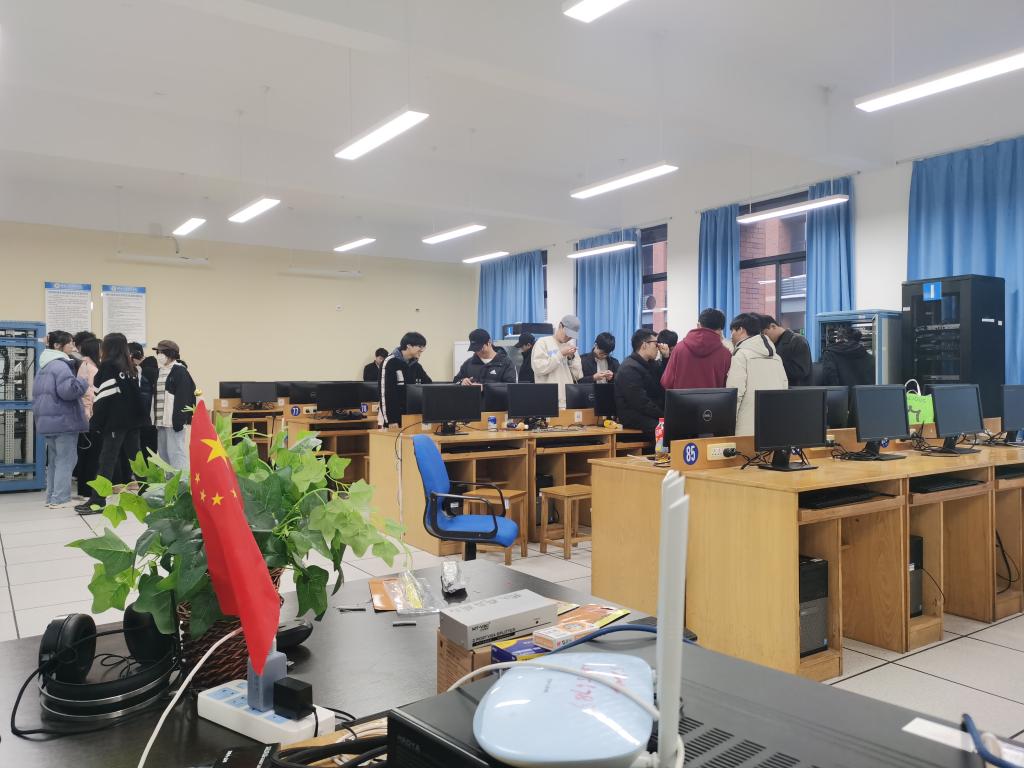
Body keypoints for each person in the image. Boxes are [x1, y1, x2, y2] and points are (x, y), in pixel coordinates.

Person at [78, 333, 147, 514]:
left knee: (106, 461)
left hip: (116, 422)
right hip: (133, 422)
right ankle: (149, 494)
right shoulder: (130, 367)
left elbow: (103, 397)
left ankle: (97, 501)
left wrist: (96, 422)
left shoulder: (109, 366)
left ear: (108, 347)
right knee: (136, 459)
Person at [34, 331, 89, 509]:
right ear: (58, 346)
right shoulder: (61, 365)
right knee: (66, 460)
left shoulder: (44, 365)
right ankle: (61, 499)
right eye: (70, 343)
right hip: (64, 420)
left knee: (54, 461)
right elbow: (68, 392)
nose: (73, 346)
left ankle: (52, 497)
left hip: (48, 421)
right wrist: (83, 380)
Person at [726, 313, 789, 436]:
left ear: (741, 329)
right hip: (773, 425)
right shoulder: (776, 357)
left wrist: (728, 423)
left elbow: (735, 393)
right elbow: (784, 389)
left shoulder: (741, 355)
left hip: (746, 428)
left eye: (732, 331)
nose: (731, 336)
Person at [660, 308, 733, 391]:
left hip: (682, 399)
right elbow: (728, 387)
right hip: (713, 399)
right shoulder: (726, 354)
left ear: (698, 325)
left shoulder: (679, 348)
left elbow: (666, 382)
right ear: (720, 330)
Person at [152, 340, 197, 472]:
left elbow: (184, 397)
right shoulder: (159, 371)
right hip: (160, 421)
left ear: (170, 353)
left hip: (173, 421)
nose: (159, 355)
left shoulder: (180, 371)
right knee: (163, 455)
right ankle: (169, 483)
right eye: (158, 352)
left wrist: (180, 420)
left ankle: (182, 483)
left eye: (162, 352)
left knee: (176, 453)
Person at [614, 329, 665, 439]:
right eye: (656, 344)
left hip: (648, 413)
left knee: (677, 425)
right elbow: (640, 402)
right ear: (644, 345)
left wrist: (666, 358)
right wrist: (663, 415)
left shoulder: (651, 364)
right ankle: (661, 451)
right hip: (633, 415)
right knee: (664, 428)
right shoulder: (629, 368)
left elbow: (664, 382)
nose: (658, 348)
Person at [531, 315, 583, 408]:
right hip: (547, 400)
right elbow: (539, 369)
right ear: (560, 326)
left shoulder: (570, 347)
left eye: (571, 336)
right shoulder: (543, 343)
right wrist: (560, 354)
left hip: (568, 400)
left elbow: (577, 375)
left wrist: (571, 358)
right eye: (567, 334)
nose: (568, 337)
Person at [379, 332, 428, 427]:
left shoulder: (416, 365)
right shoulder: (390, 362)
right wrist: (391, 420)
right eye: (420, 346)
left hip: (413, 417)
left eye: (423, 347)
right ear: (408, 346)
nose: (422, 350)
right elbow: (385, 394)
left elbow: (428, 385)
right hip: (395, 420)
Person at [75, 337, 101, 499]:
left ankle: (84, 489)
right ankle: (87, 490)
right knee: (91, 454)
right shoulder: (90, 367)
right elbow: (91, 392)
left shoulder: (85, 365)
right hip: (90, 414)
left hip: (85, 413)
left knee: (86, 453)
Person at [759, 315, 812, 387]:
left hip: (796, 390)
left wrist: (773, 364)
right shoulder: (772, 345)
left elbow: (801, 371)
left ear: (773, 326)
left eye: (765, 334)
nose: (765, 338)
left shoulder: (798, 341)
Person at [130, 342, 158, 460]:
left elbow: (143, 397)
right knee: (151, 452)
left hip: (144, 417)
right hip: (151, 418)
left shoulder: (144, 371)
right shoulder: (153, 368)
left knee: (144, 450)